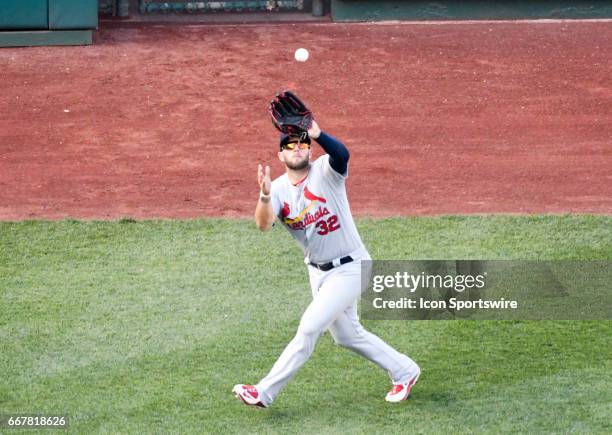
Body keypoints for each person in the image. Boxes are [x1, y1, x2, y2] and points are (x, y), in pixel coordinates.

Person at [232, 120, 420, 407]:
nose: (297, 148)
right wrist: (265, 195)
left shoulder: (325, 171)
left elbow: (343, 155)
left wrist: (318, 134)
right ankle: (405, 371)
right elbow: (264, 224)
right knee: (347, 335)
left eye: (302, 143)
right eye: (289, 145)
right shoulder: (279, 188)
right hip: (318, 273)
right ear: (280, 154)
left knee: (309, 327)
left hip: (351, 267)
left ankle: (264, 392)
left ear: (309, 149)